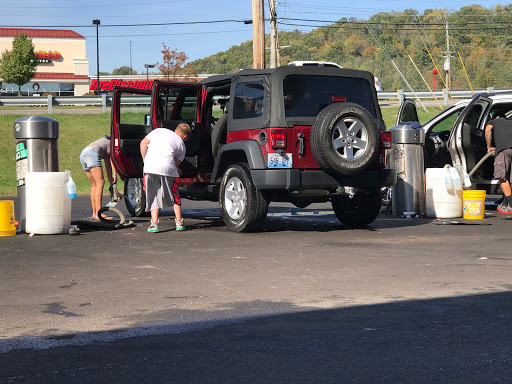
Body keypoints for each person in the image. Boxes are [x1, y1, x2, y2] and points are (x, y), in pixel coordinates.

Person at [140, 123, 191, 233]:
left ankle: (154, 224)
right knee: (173, 193)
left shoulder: (159, 131)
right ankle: (179, 222)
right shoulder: (181, 144)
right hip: (168, 169)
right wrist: (178, 171)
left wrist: (145, 161)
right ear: (185, 136)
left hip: (150, 168)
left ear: (175, 129)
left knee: (152, 194)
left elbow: (143, 143)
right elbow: (176, 165)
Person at [80, 135, 121, 220]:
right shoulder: (112, 144)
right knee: (100, 183)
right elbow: (112, 161)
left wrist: (111, 180)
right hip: (92, 153)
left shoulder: (104, 142)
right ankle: (99, 214)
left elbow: (107, 164)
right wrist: (115, 175)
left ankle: (95, 213)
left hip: (84, 153)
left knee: (94, 184)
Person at [485, 113, 512, 213]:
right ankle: (505, 204)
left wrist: (489, 146)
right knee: (510, 178)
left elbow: (488, 130)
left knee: (502, 176)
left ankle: (511, 204)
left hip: (503, 150)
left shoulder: (493, 122)